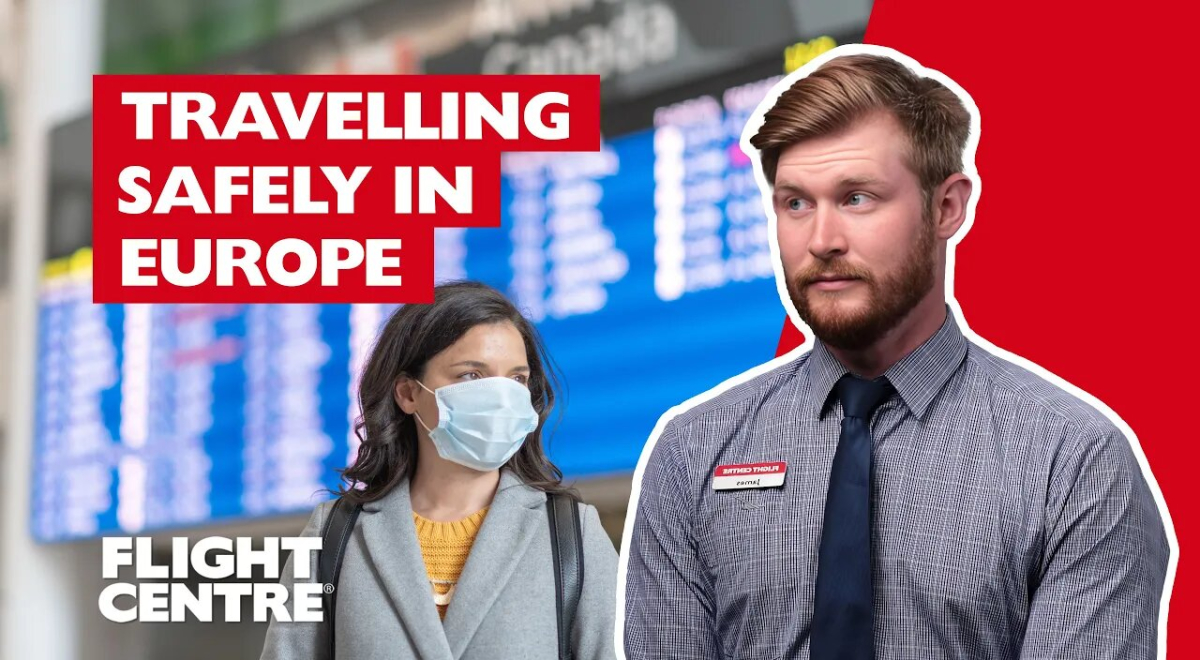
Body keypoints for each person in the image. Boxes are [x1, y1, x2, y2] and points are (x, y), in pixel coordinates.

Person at [622, 48, 1172, 660]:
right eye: (795, 203)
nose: (822, 241)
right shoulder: (692, 453)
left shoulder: (1072, 460)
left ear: (947, 207)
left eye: (857, 198)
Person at [261, 281, 618, 660]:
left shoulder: (572, 535)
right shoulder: (332, 536)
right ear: (408, 394)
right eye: (471, 375)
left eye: (516, 379)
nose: (501, 397)